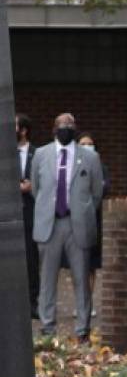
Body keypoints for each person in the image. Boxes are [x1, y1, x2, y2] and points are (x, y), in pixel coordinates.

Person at [31, 113, 104, 344]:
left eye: (70, 126)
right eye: (62, 126)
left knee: (81, 278)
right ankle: (47, 328)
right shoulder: (41, 155)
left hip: (77, 224)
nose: (66, 129)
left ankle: (82, 330)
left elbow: (96, 193)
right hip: (49, 223)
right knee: (47, 279)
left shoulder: (90, 158)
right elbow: (35, 188)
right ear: (54, 129)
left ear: (75, 129)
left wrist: (83, 210)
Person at [76, 132, 109, 317]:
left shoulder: (100, 167)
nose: (87, 146)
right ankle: (79, 302)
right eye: (83, 143)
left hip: (94, 220)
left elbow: (105, 187)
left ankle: (88, 302)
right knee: (77, 263)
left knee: (91, 265)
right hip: (75, 220)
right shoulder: (73, 166)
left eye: (90, 143)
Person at [16, 113, 39, 319]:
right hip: (9, 215)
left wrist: (32, 187)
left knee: (31, 260)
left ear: (23, 130)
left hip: (31, 213)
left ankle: (32, 303)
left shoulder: (37, 154)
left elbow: (45, 182)